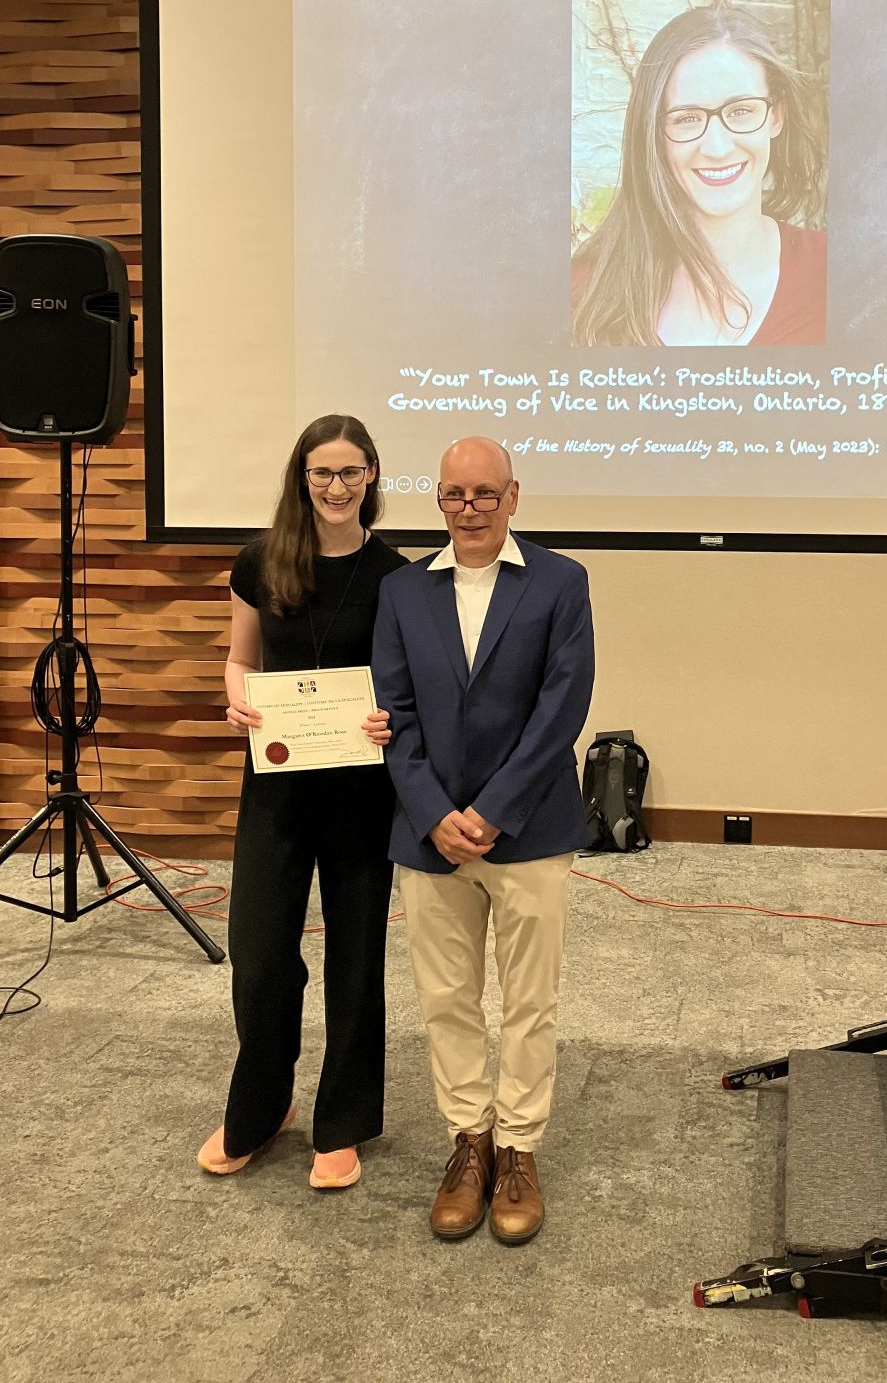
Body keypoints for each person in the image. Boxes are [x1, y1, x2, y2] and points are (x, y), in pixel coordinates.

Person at [371, 436, 595, 1245]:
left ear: (513, 496)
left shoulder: (562, 583)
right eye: (453, 496)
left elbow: (562, 710)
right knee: (446, 1000)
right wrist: (434, 812)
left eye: (484, 494)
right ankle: (469, 1145)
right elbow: (389, 713)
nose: (468, 509)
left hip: (530, 830)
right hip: (427, 833)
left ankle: (519, 1148)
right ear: (437, 500)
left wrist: (494, 812)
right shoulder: (401, 591)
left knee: (530, 1003)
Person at [197, 414, 404, 1190]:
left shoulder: (396, 576)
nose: (337, 486)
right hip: (276, 786)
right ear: (302, 478)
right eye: (323, 472)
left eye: (351, 472)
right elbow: (238, 659)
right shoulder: (261, 562)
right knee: (257, 957)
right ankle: (260, 1106)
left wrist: (392, 716)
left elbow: (406, 684)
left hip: (360, 792)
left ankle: (343, 1123)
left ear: (373, 477)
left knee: (356, 958)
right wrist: (238, 704)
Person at [571, 2, 826, 348]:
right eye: (687, 118)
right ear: (654, 134)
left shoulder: (831, 276)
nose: (718, 148)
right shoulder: (583, 294)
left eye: (741, 111)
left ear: (775, 116)